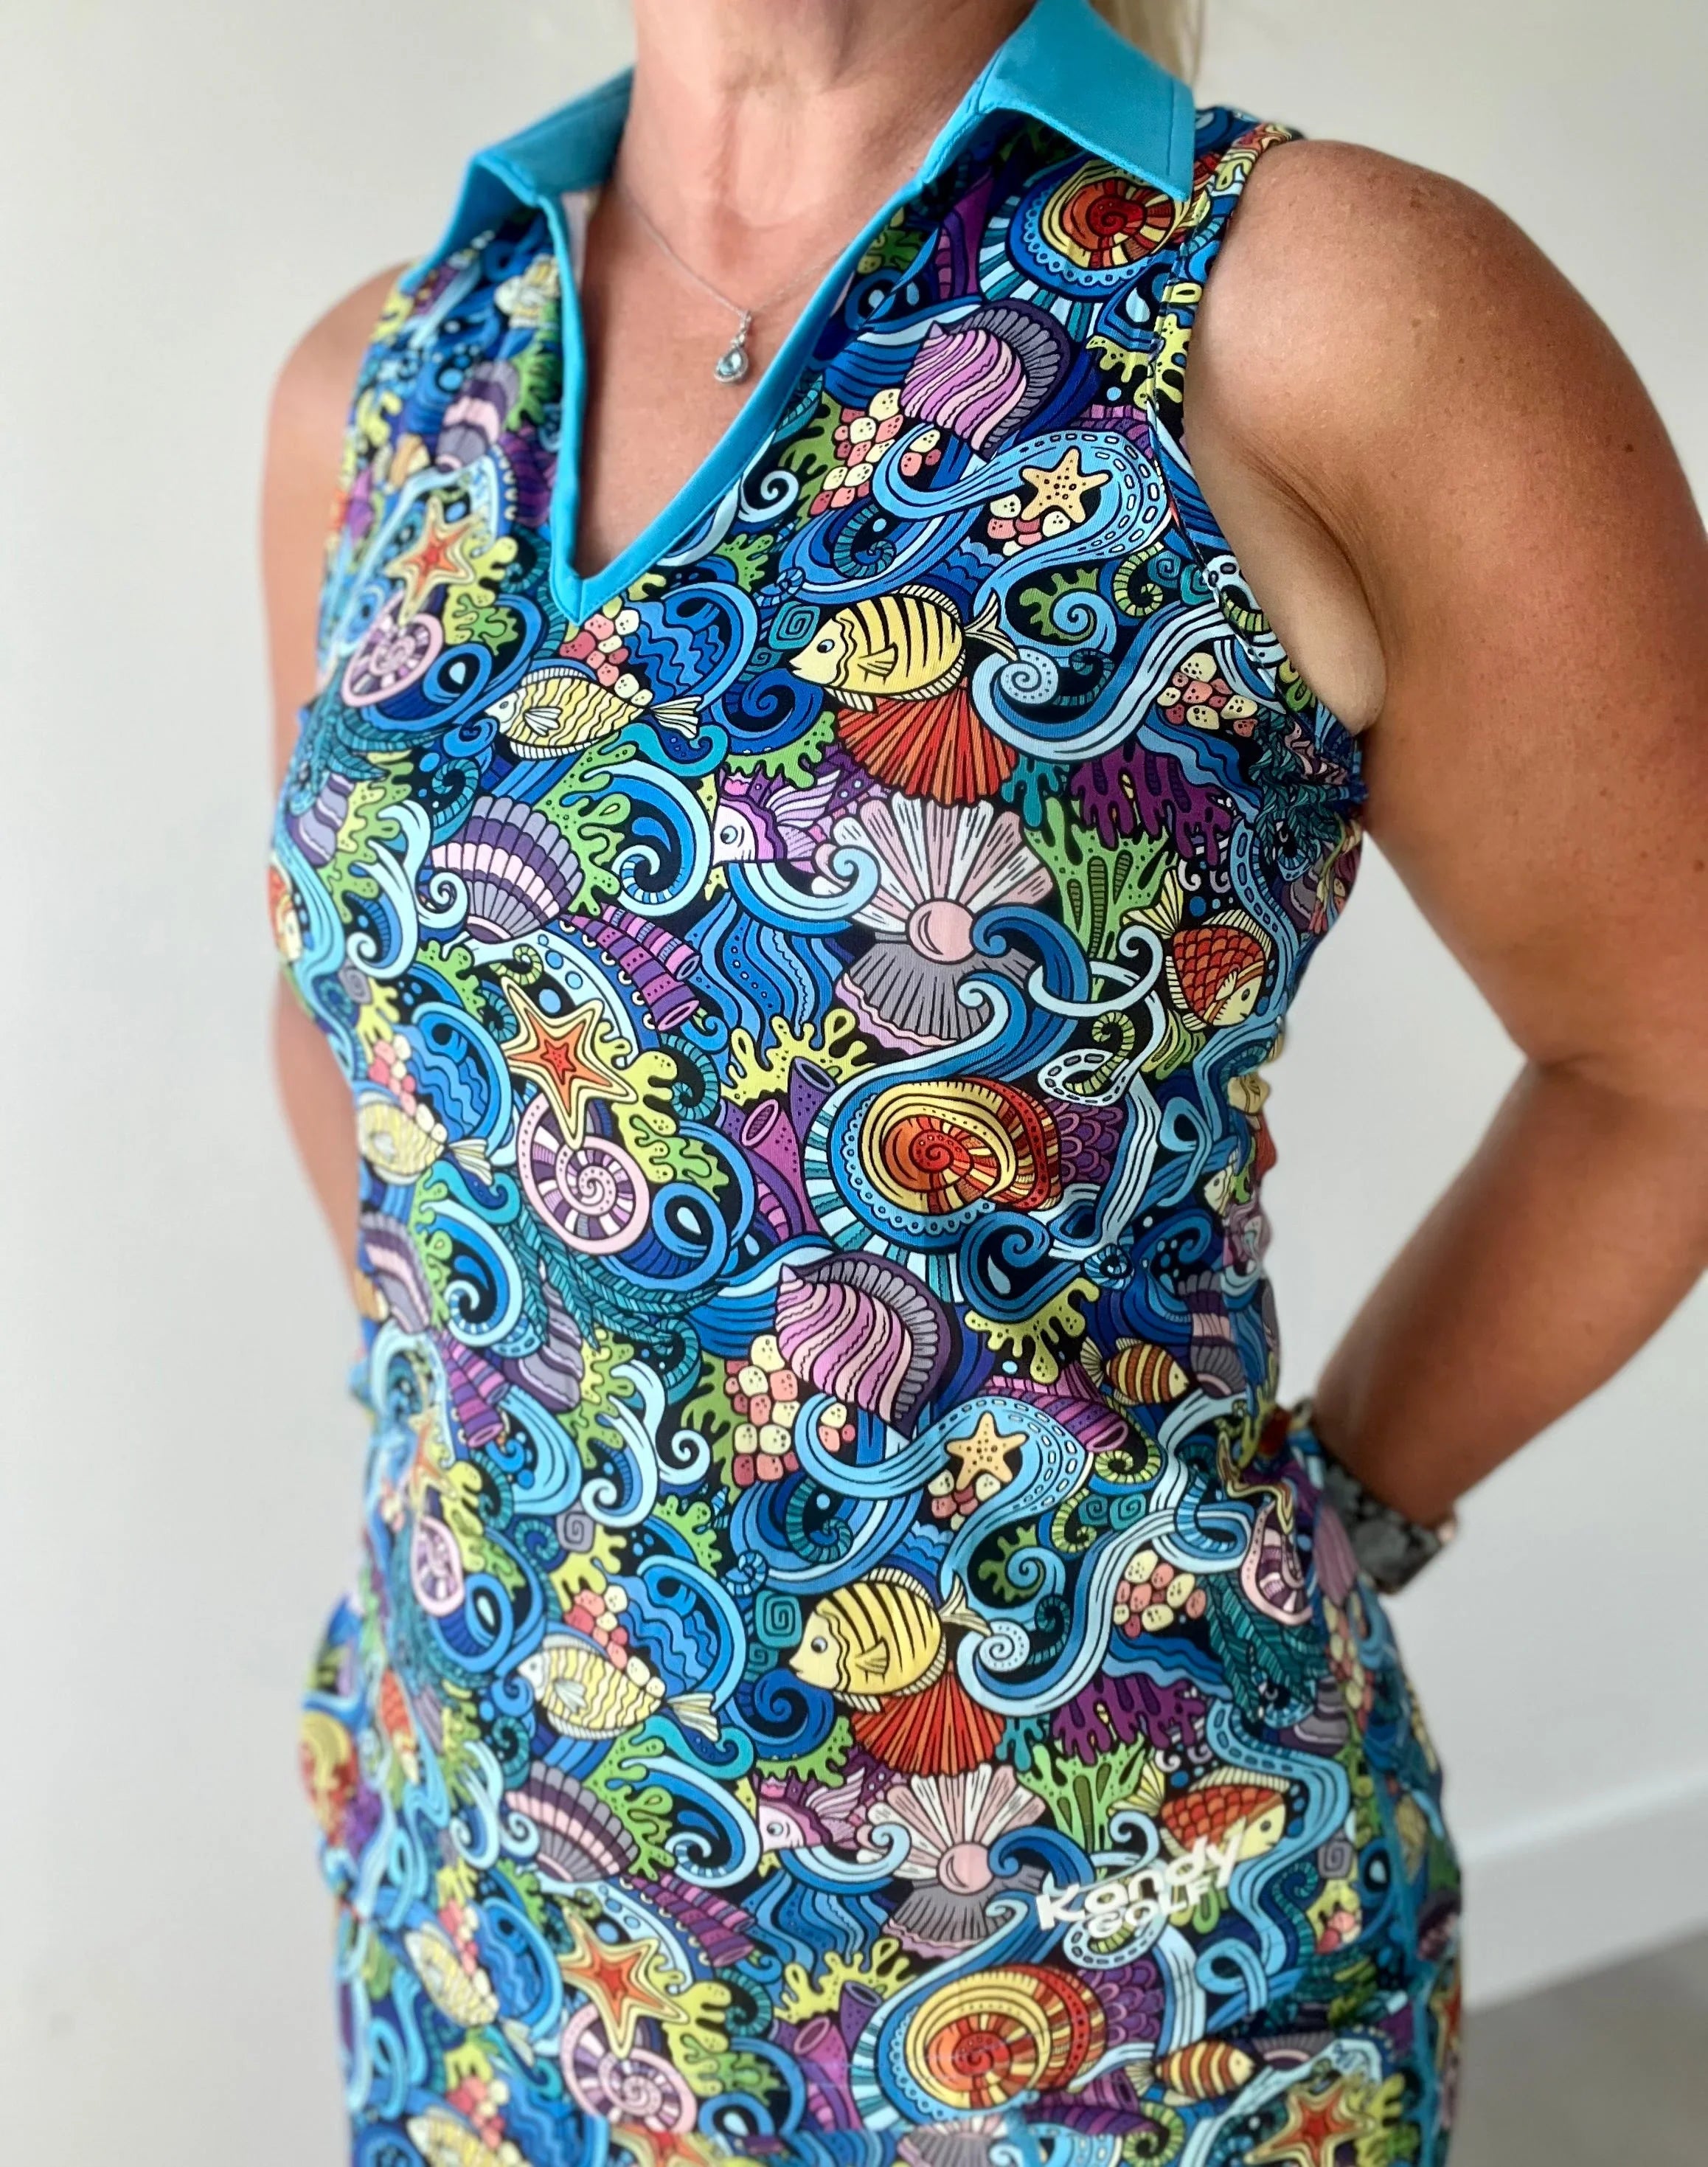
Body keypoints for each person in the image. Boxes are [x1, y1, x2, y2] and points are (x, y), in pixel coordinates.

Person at [263, 1, 1708, 2160]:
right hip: (503, 1936)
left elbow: (1664, 1059)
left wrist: (1346, 1500)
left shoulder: (1300, 316)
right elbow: (344, 1014)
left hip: (1102, 1993)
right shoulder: (383, 382)